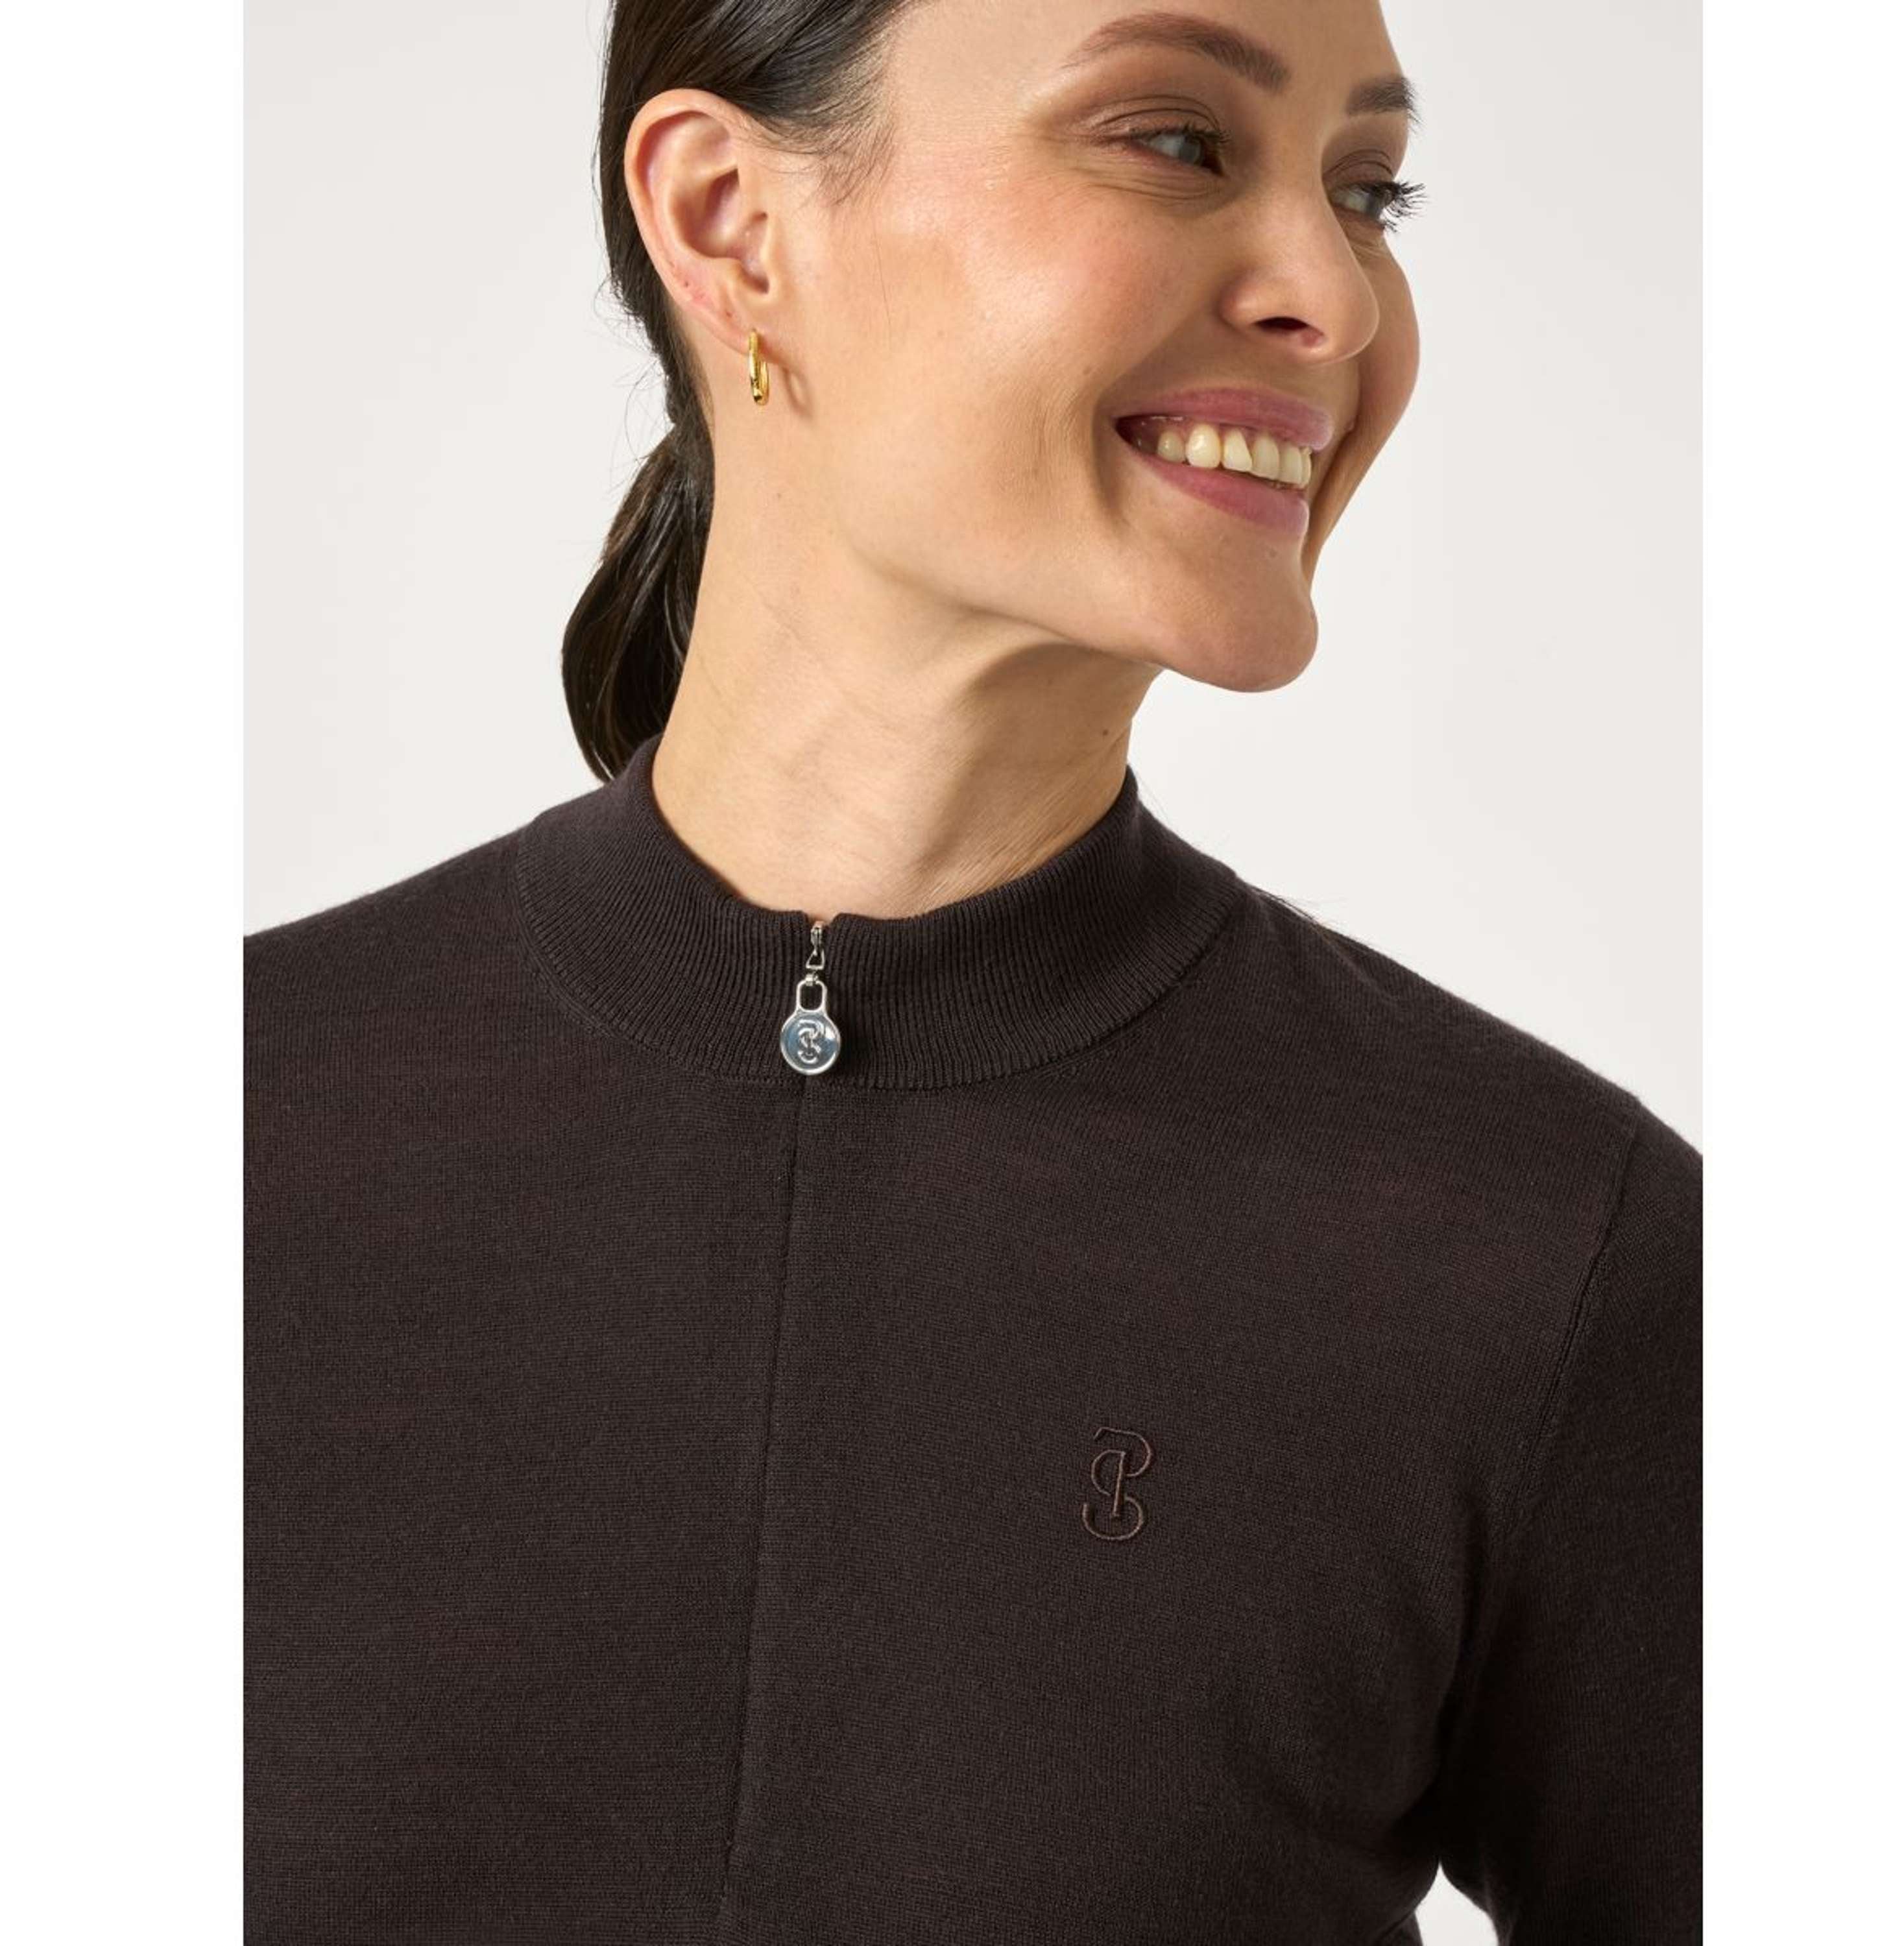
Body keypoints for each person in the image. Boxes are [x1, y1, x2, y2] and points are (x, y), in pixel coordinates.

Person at [245, 0, 1700, 1940]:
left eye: (1372, 191)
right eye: (1176, 141)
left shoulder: (1551, 1250)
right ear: (733, 220)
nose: (1338, 298)